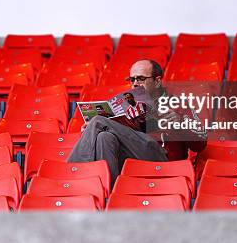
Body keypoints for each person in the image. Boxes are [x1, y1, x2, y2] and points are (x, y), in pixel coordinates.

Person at [67, 59, 206, 184]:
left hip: (163, 157)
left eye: (140, 79)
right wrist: (90, 130)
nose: (135, 84)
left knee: (98, 121)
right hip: (133, 158)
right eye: (131, 79)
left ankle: (72, 173)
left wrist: (180, 122)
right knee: (105, 137)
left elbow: (200, 144)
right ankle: (109, 190)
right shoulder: (127, 104)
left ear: (157, 81)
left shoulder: (178, 103)